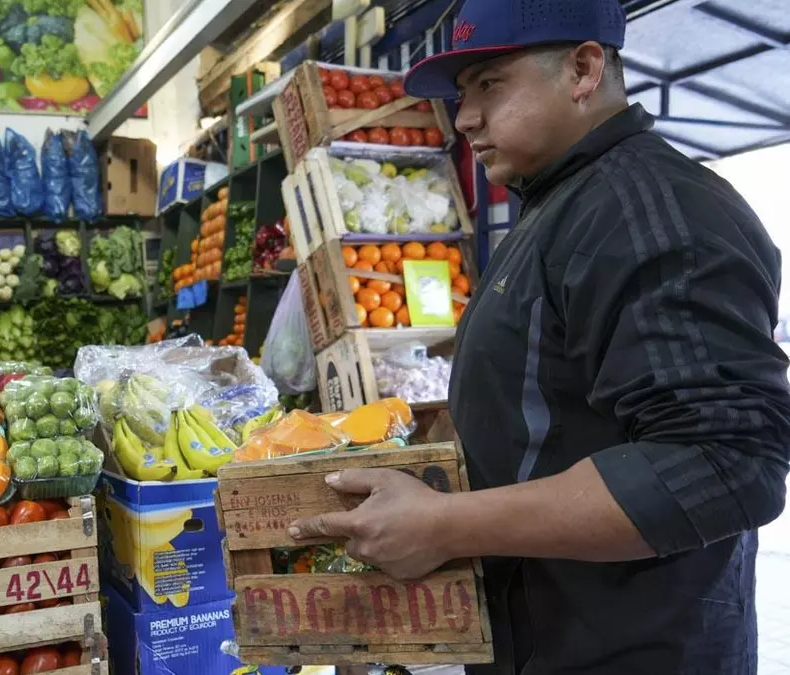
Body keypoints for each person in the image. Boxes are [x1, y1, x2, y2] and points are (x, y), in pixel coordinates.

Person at [287, 0, 790, 673]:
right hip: (538, 634)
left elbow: (724, 464)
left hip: (626, 651)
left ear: (583, 70)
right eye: (462, 94)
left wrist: (444, 524)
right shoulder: (562, 204)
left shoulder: (650, 213)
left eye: (490, 84)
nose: (464, 118)